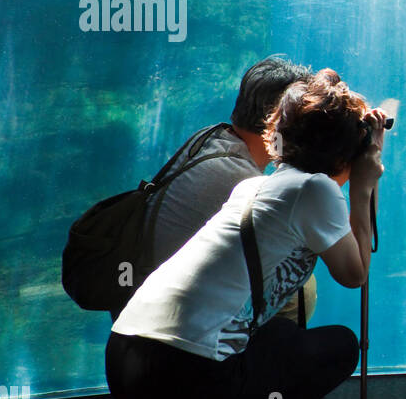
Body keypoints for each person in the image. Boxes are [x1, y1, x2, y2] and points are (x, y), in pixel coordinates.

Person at [106, 69, 388, 399]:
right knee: (338, 346)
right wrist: (364, 184)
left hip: (126, 360)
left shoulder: (255, 188)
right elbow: (355, 275)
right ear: (346, 149)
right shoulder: (315, 191)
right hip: (180, 371)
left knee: (275, 333)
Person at [133, 56, 315, 323]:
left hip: (140, 307)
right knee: (302, 291)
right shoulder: (243, 181)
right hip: (173, 325)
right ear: (282, 120)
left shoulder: (211, 139)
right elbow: (333, 252)